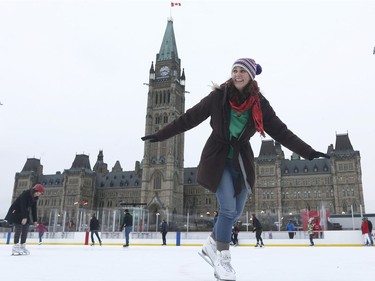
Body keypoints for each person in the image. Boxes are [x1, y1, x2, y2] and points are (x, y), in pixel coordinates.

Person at [141, 58, 329, 281]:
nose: (237, 74)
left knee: (237, 211)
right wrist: (161, 134)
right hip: (217, 158)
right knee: (228, 209)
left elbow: (281, 131)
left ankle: (211, 244)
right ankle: (223, 258)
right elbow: (189, 118)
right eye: (234, 70)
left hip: (240, 160)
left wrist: (308, 152)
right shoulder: (218, 96)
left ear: (251, 76)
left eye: (242, 71)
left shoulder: (259, 104)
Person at [5, 184, 45, 255]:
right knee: (19, 228)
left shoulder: (34, 198)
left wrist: (35, 220)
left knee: (26, 228)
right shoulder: (25, 194)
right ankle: (16, 246)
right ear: (35, 190)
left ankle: (22, 246)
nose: (39, 195)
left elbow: (34, 209)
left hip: (24, 213)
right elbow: (22, 205)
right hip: (16, 212)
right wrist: (24, 217)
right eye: (39, 193)